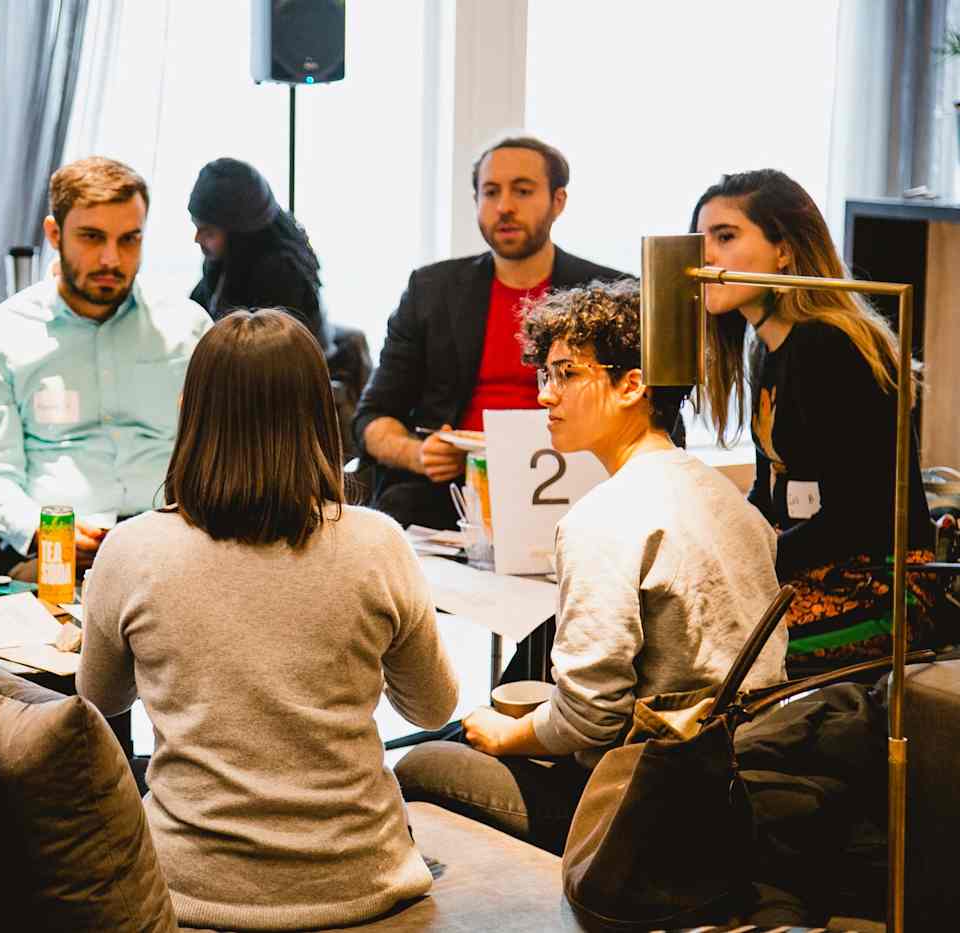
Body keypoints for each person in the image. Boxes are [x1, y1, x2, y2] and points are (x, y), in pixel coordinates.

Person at [78, 309, 458, 930]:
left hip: (189, 885)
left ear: (189, 411)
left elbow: (99, 698)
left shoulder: (132, 550)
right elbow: (434, 709)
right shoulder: (377, 544)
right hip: (365, 878)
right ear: (320, 413)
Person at [394, 280, 785, 854]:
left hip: (648, 797)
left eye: (567, 374)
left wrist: (509, 735)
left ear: (632, 385)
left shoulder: (603, 521)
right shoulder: (731, 502)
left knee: (422, 763)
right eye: (544, 376)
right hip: (738, 771)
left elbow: (589, 721)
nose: (546, 397)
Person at [690, 170, 940, 669]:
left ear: (784, 250)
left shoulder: (829, 345)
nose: (706, 258)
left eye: (725, 237)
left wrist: (747, 566)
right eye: (700, 241)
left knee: (706, 649)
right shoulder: (766, 348)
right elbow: (768, 495)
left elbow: (859, 518)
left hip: (880, 583)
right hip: (822, 569)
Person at [355, 134, 627, 529]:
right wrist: (419, 454)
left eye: (522, 190)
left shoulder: (607, 294)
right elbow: (373, 417)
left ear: (558, 201)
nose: (504, 207)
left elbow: (653, 417)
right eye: (491, 192)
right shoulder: (432, 290)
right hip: (449, 491)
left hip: (570, 484)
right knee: (399, 509)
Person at [0, 156, 211, 566]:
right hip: (52, 552)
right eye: (92, 237)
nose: (111, 259)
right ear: (54, 234)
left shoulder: (188, 329)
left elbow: (218, 451)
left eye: (129, 239)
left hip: (172, 548)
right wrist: (41, 530)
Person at [186, 157, 328, 348]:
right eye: (196, 226)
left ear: (240, 235)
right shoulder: (227, 261)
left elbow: (267, 364)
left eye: (209, 232)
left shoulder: (280, 276)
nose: (197, 238)